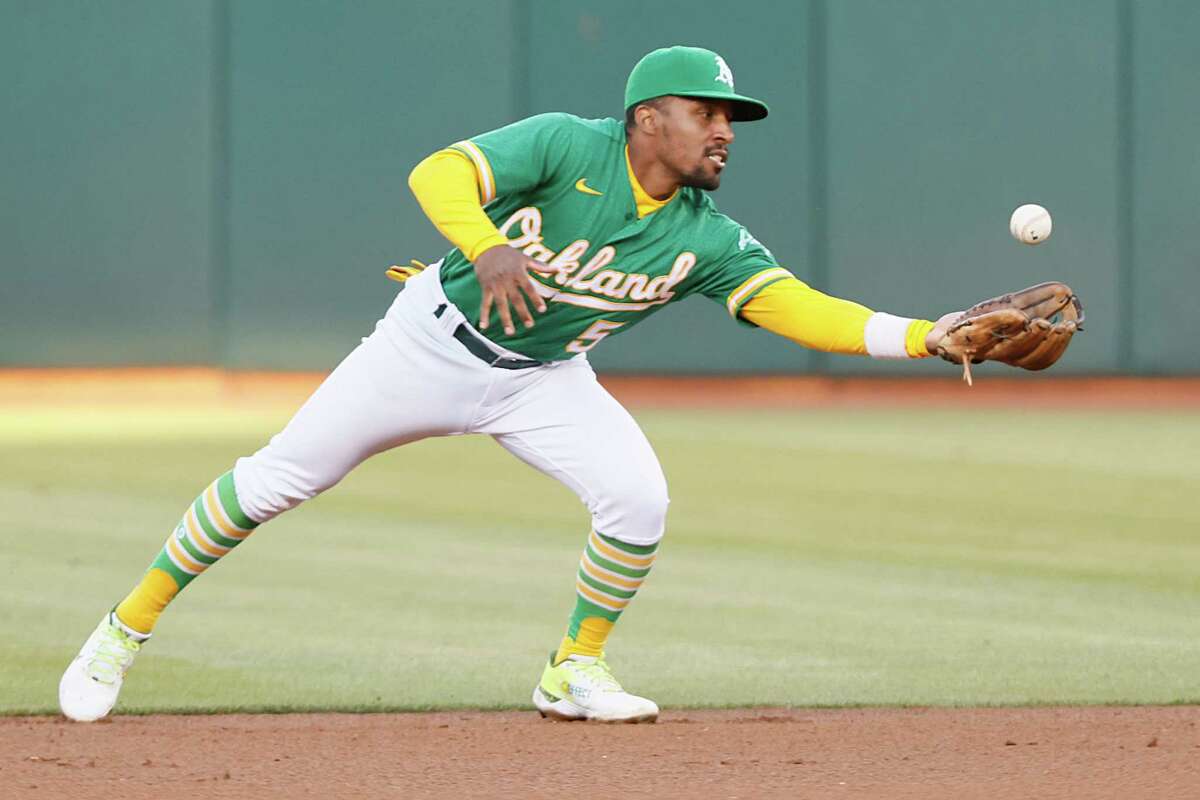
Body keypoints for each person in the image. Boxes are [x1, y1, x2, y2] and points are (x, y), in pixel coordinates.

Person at [59, 45, 959, 724]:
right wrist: (486, 244)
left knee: (638, 499)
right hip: (425, 347)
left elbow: (799, 307)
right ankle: (120, 632)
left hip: (543, 378)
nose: (725, 130)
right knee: (276, 482)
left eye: (732, 118)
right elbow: (438, 172)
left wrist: (926, 336)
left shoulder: (707, 235)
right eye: (706, 111)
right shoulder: (569, 144)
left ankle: (573, 670)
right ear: (650, 118)